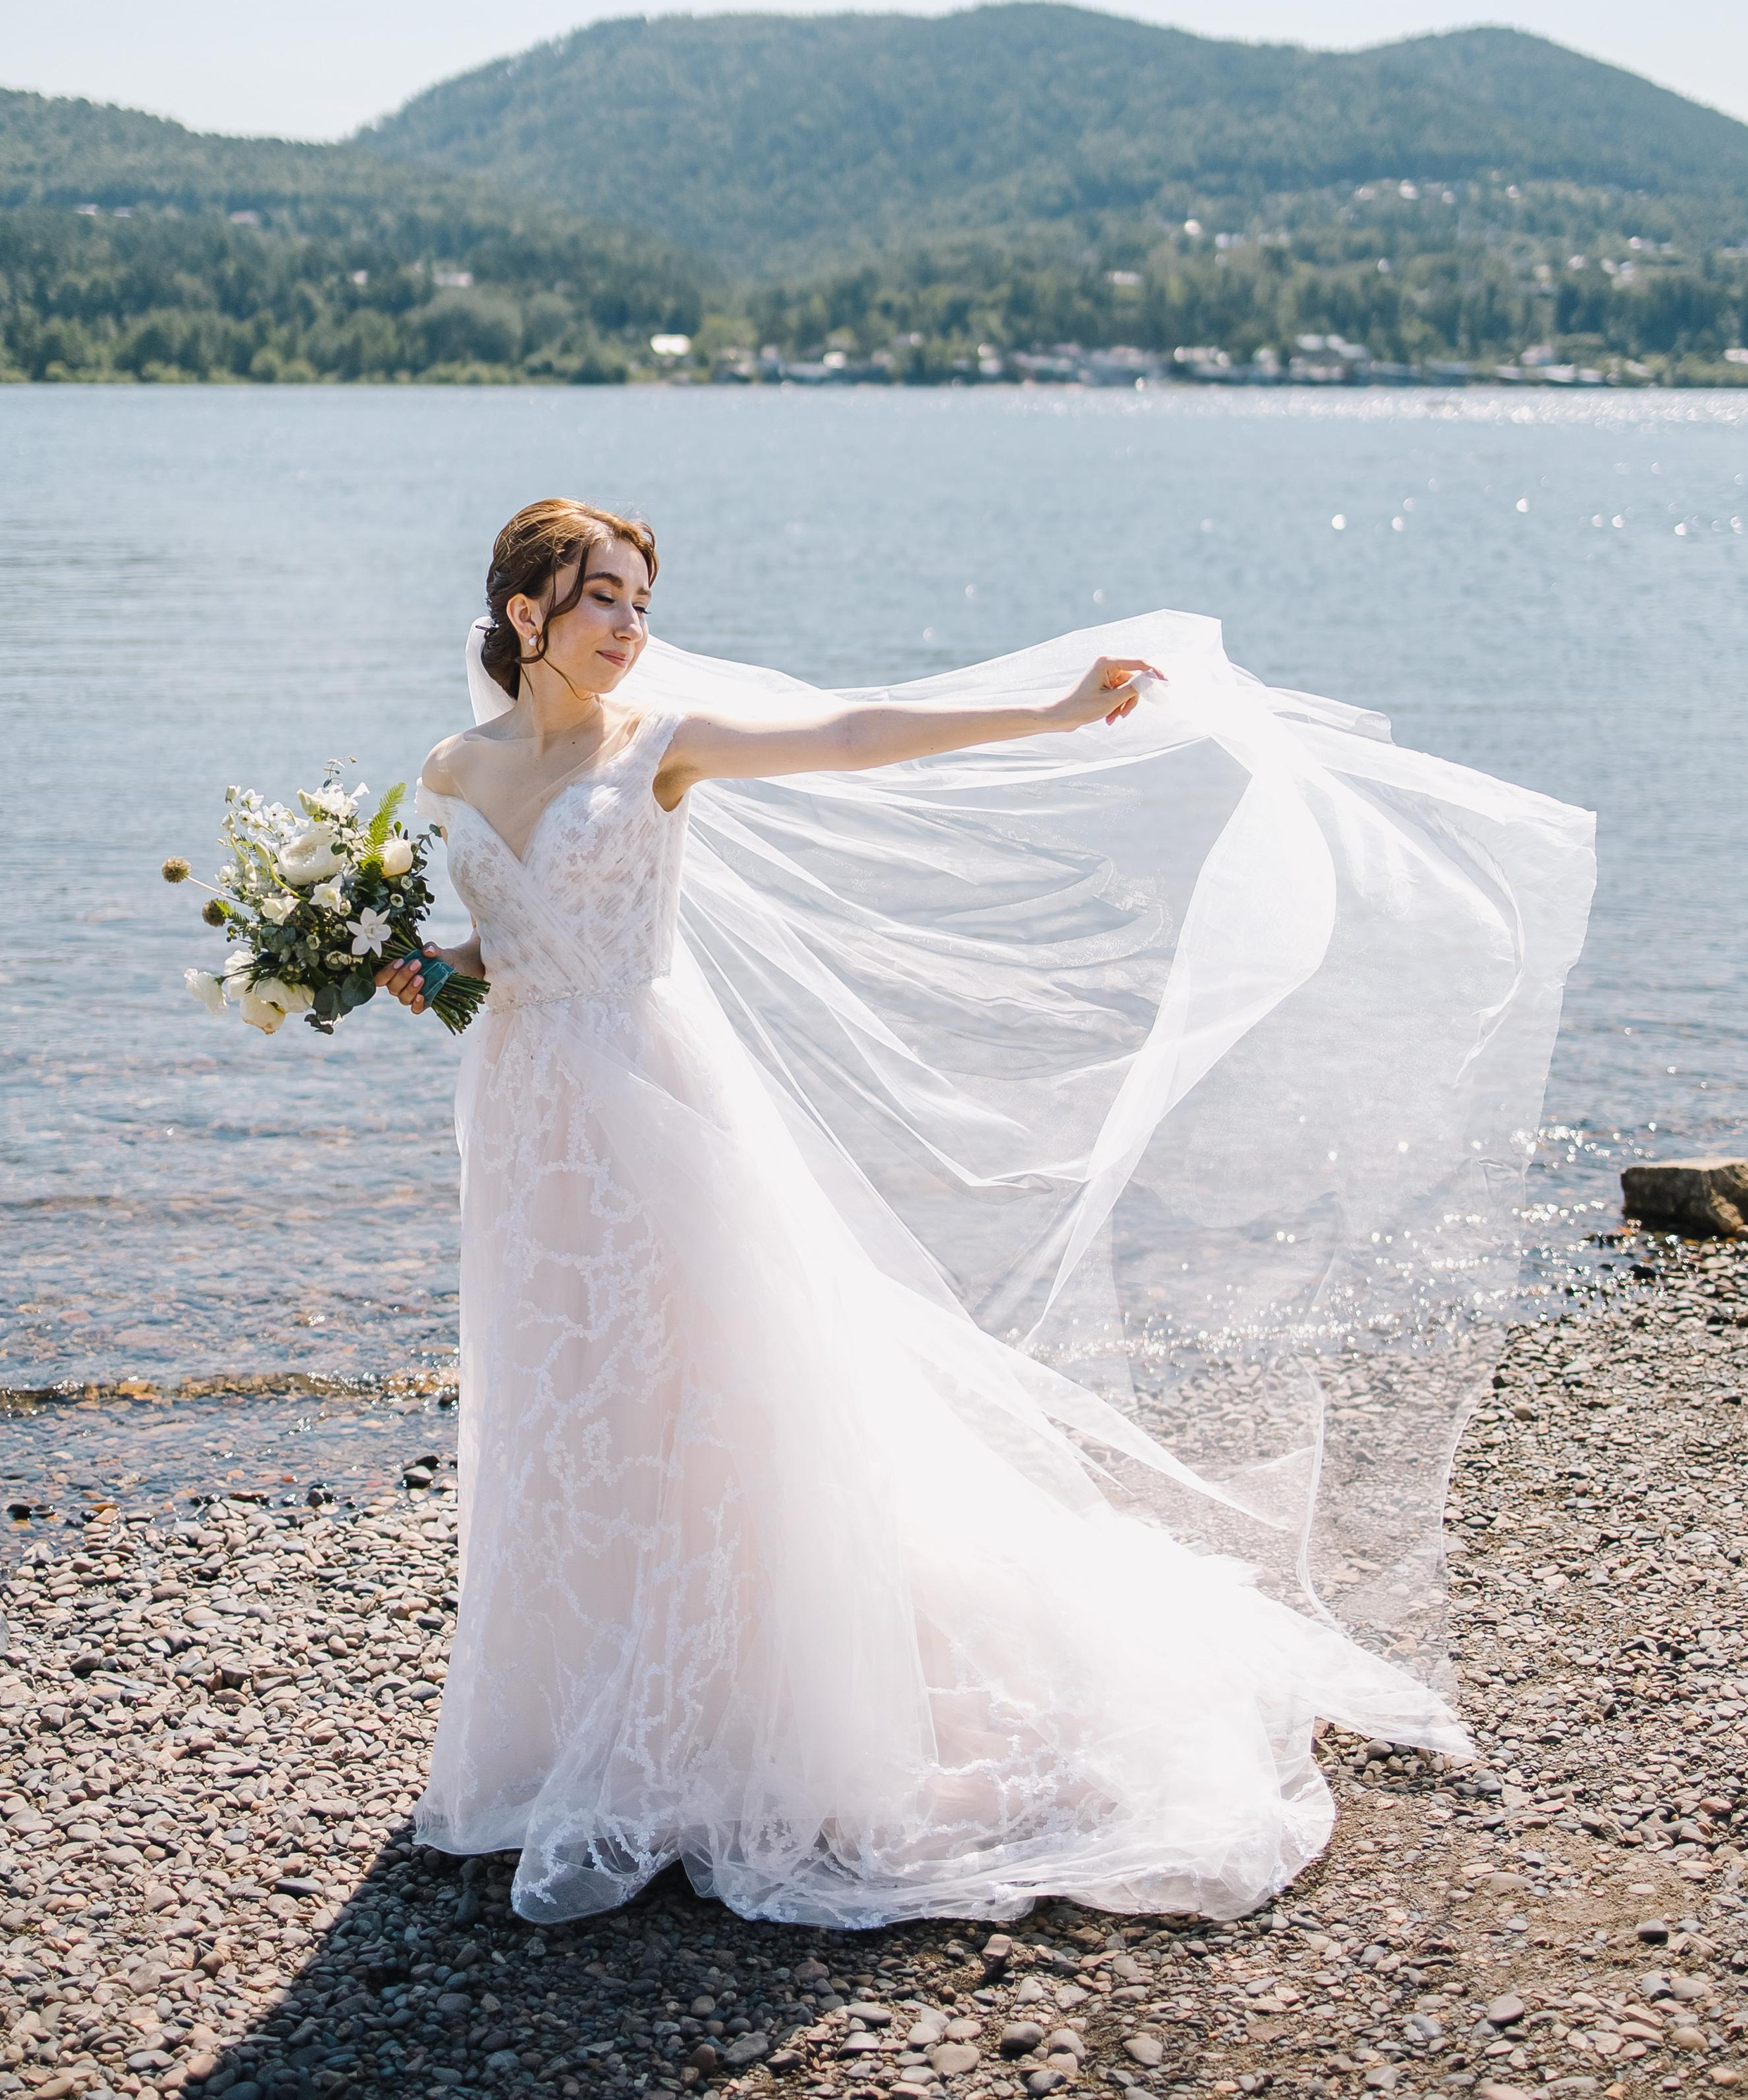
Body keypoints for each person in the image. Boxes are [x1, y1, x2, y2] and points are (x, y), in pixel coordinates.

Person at [380, 494, 1595, 1928]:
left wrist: (1048, 711)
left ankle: (732, 1712)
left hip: (653, 1100)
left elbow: (845, 736)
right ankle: (564, 1714)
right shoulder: (454, 766)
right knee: (564, 1394)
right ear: (524, 614)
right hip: (526, 1114)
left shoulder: (662, 745)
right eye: (603, 600)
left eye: (640, 599)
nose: (633, 627)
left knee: (699, 1387)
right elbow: (497, 958)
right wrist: (416, 970)